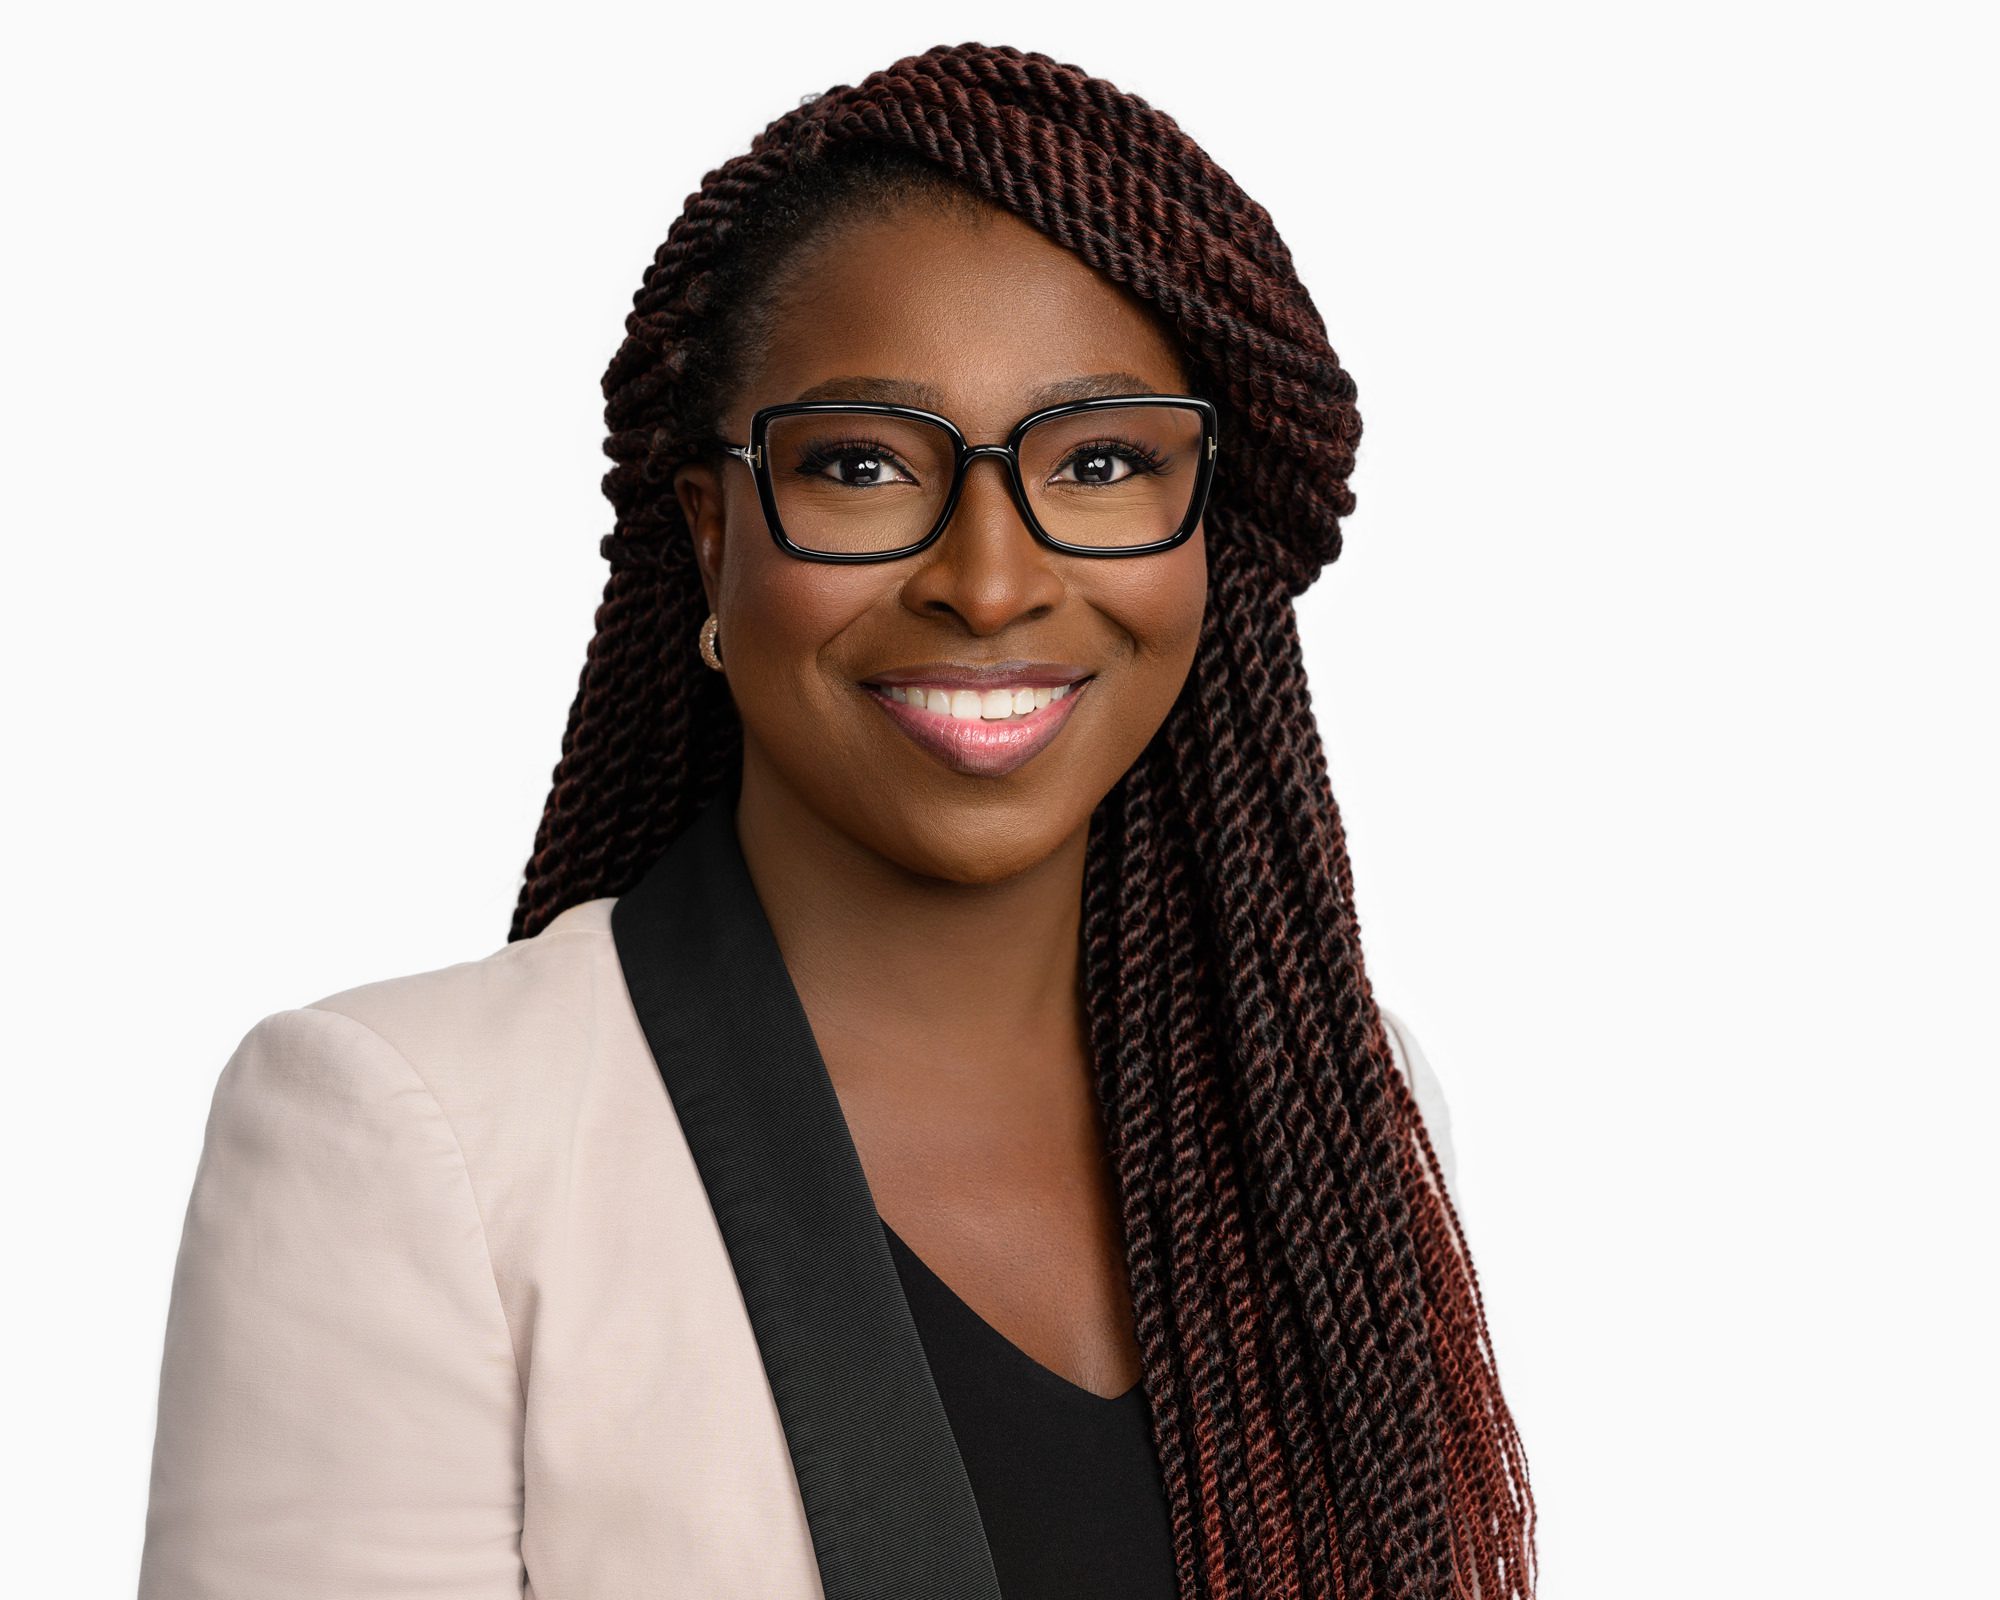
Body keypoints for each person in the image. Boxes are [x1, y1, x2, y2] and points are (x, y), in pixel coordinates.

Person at [137, 42, 1535, 1600]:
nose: (990, 582)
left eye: (1101, 462)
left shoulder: (1336, 1110)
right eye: (863, 466)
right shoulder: (417, 1142)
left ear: (1208, 531)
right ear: (711, 531)